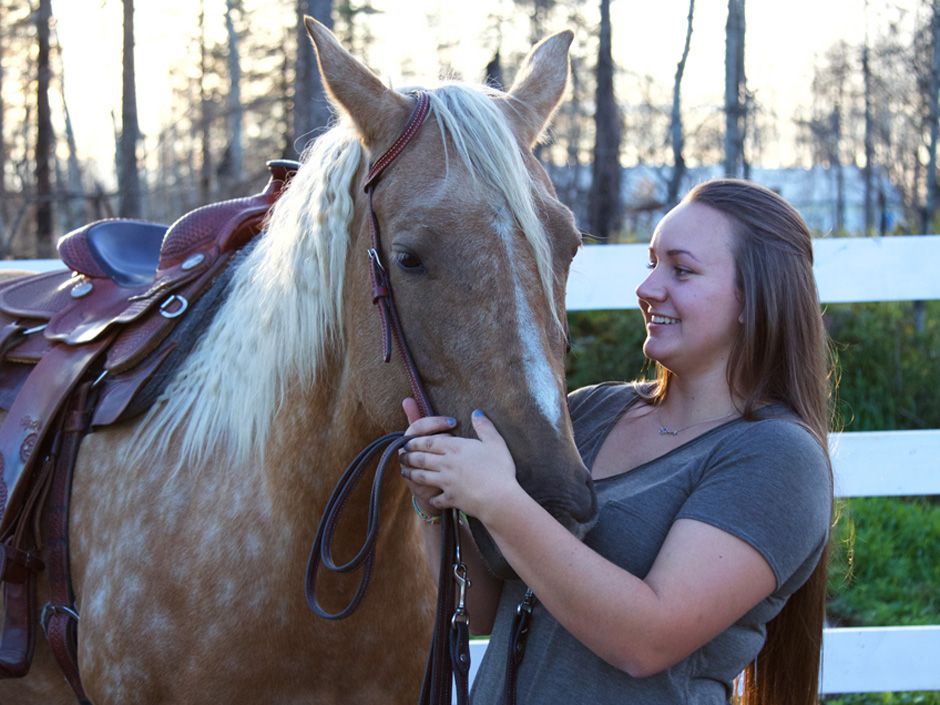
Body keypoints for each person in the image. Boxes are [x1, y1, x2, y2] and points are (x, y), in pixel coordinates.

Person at [399, 178, 834, 705]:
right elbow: (491, 605)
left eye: (682, 269)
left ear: (755, 297)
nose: (648, 288)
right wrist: (433, 502)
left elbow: (647, 640)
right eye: (651, 263)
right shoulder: (591, 411)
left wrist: (498, 500)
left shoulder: (777, 459)